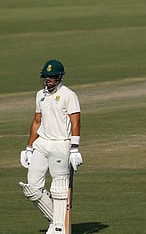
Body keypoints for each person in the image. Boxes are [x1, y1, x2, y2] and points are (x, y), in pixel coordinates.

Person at [19, 59, 83, 234]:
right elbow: (37, 121)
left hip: (61, 144)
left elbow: (75, 122)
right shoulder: (40, 94)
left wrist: (75, 148)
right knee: (31, 188)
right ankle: (57, 220)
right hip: (42, 143)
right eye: (46, 76)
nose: (48, 79)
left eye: (52, 76)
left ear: (60, 77)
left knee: (59, 188)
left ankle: (58, 227)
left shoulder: (69, 95)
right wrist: (29, 147)